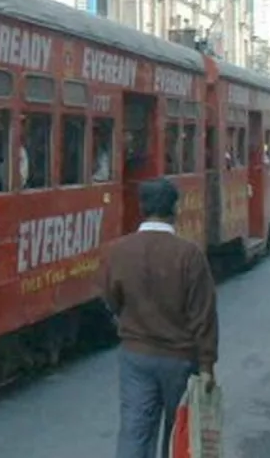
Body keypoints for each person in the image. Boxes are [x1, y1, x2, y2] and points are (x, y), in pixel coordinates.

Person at [101, 177, 218, 458]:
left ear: (141, 208)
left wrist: (129, 322)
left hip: (135, 357)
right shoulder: (189, 255)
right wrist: (207, 365)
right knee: (178, 433)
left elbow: (110, 300)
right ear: (174, 209)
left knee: (134, 430)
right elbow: (203, 315)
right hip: (179, 359)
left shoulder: (118, 251)